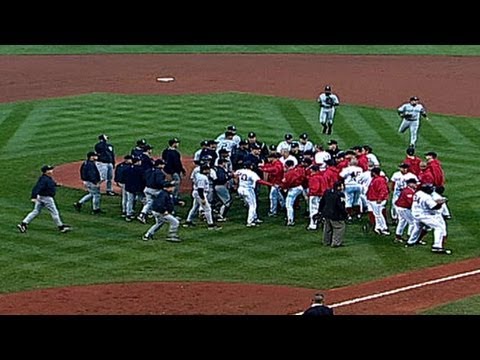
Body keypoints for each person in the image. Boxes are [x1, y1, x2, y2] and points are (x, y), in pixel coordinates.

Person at [17, 165, 72, 233]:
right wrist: (33, 197)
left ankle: (24, 224)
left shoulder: (47, 178)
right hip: (47, 198)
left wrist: (56, 184)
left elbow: (50, 184)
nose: (51, 171)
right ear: (46, 171)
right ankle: (61, 227)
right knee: (54, 212)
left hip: (41, 197)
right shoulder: (44, 179)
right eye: (49, 170)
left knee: (36, 211)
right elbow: (37, 188)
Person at [318, 180, 348, 247]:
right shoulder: (340, 194)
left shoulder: (327, 192)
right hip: (336, 214)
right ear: (338, 187)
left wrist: (320, 211)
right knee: (339, 227)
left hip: (326, 213)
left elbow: (322, 202)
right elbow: (341, 206)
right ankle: (336, 243)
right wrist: (345, 214)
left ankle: (326, 241)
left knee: (327, 228)